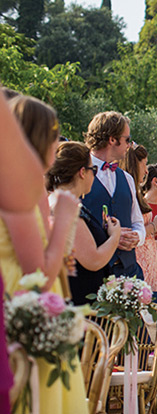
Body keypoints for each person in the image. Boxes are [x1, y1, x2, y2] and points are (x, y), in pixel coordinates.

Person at [0, 95, 87, 413]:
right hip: (23, 304)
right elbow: (39, 274)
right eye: (55, 136)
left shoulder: (29, 185)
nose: (59, 144)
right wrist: (65, 216)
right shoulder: (17, 186)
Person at [46, 141, 122, 305]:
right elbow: (93, 260)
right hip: (79, 303)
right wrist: (115, 236)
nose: (94, 175)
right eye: (93, 169)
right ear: (82, 172)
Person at [81, 111, 146, 279]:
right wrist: (112, 237)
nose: (129, 145)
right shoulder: (78, 173)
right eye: (127, 139)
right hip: (92, 275)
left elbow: (137, 221)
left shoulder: (127, 179)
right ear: (112, 140)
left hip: (130, 273)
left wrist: (136, 237)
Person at [120, 145, 157, 290]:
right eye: (144, 164)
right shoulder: (128, 194)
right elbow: (129, 232)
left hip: (150, 257)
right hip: (138, 260)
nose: (145, 171)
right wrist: (156, 227)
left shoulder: (136, 193)